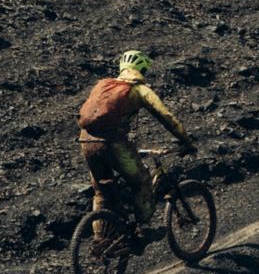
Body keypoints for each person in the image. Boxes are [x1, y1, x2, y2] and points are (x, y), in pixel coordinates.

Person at [78, 50, 194, 222]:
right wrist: (186, 141)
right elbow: (166, 117)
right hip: (112, 143)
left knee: (101, 193)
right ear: (142, 70)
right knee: (142, 181)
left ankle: (101, 238)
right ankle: (143, 229)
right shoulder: (139, 90)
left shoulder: (102, 85)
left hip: (86, 140)